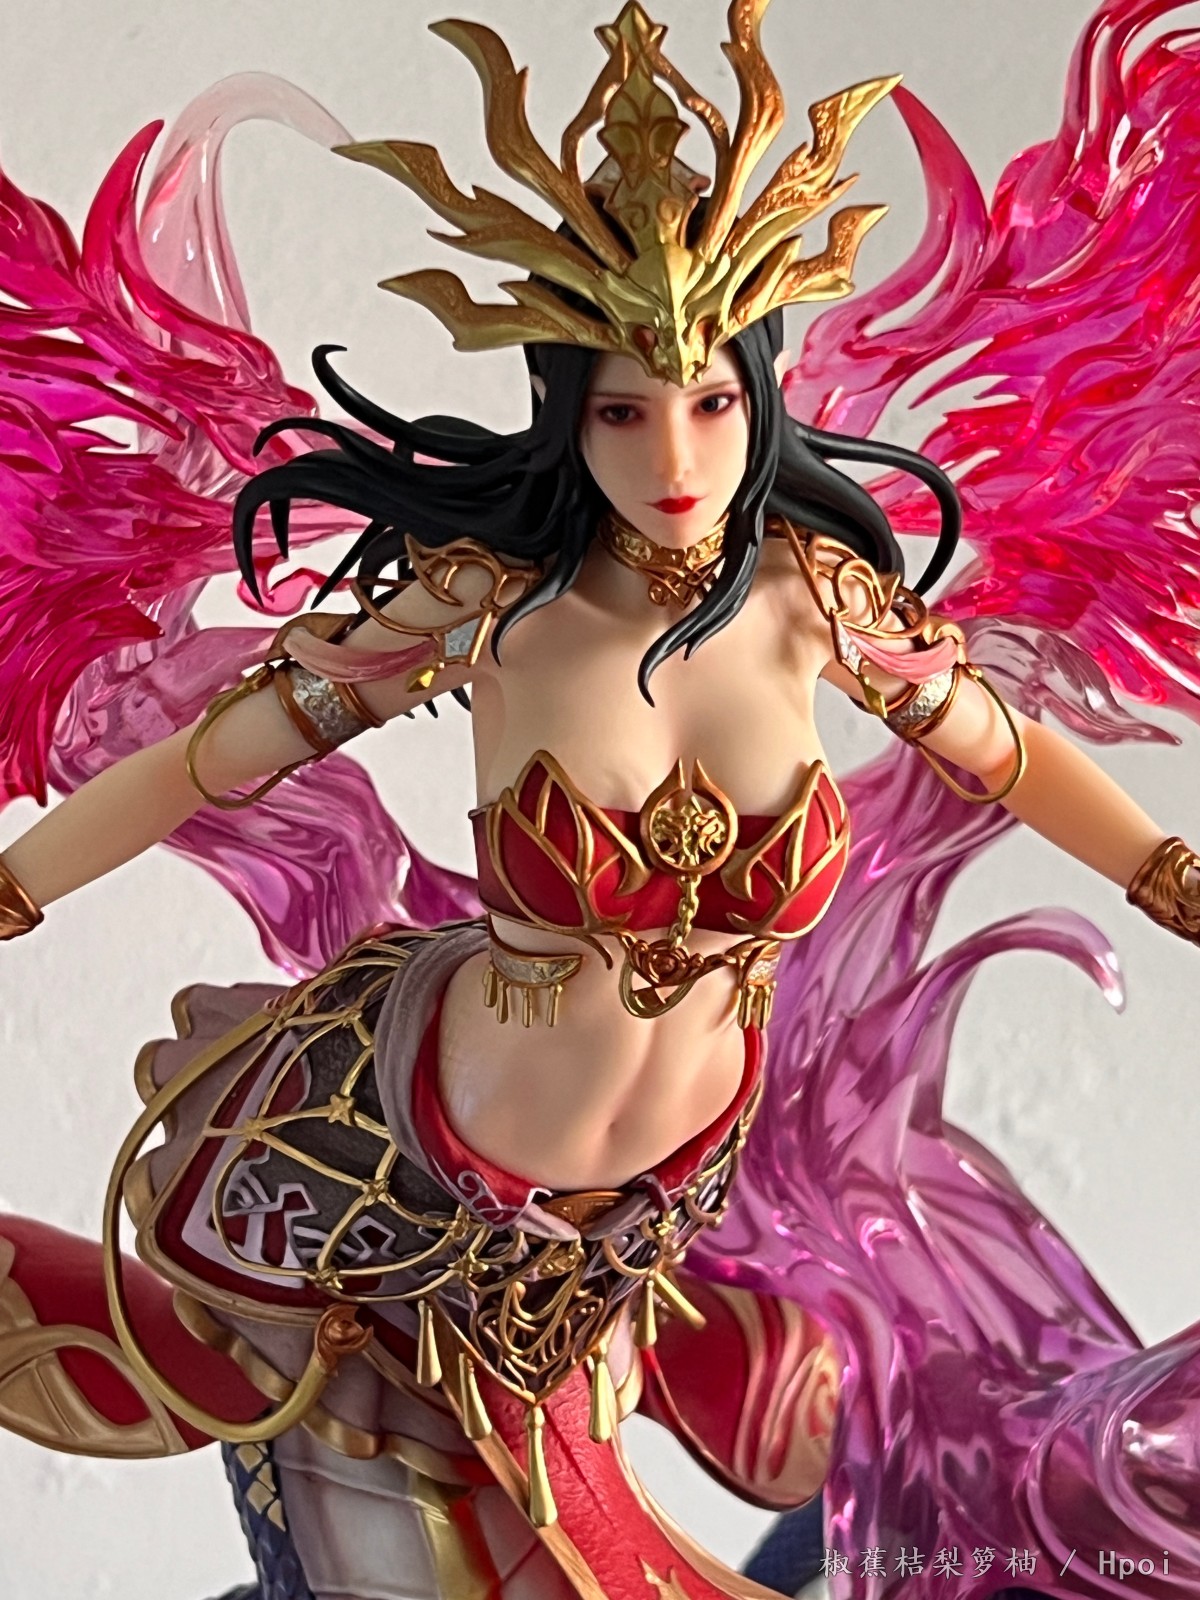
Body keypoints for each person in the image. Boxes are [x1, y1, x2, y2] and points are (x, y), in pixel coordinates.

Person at [1, 3, 1199, 1597]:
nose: (674, 457)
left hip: (635, 1226)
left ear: (762, 397)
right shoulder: (492, 601)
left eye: (710, 403)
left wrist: (1172, 878)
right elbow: (222, 757)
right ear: (569, 413)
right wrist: (18, 887)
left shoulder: (821, 601)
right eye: (623, 411)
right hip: (403, 1172)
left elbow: (1005, 755)